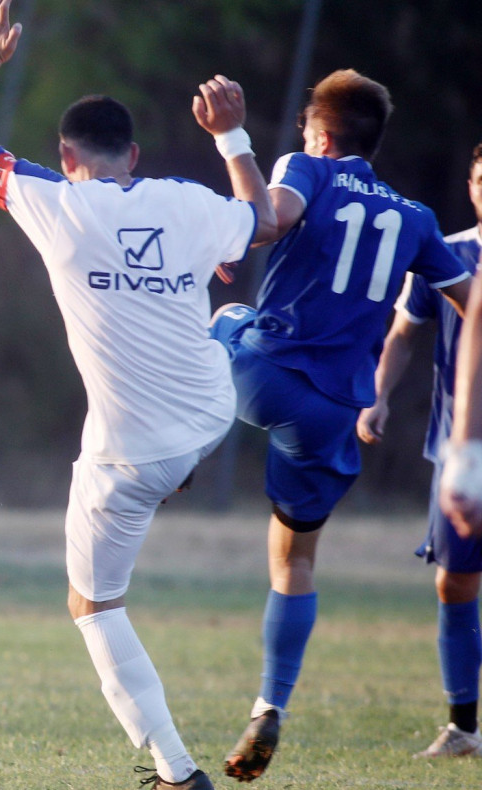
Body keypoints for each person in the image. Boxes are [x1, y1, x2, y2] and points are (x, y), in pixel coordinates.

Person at [0, 2, 277, 787]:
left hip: (129, 458)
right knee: (226, 317)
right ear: (135, 153)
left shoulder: (56, 204)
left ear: (64, 154)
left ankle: (175, 770)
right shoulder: (188, 204)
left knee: (93, 607)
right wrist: (231, 136)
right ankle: (204, 419)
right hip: (210, 417)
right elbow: (261, 221)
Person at [209, 70, 472, 782]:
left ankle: (177, 456)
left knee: (223, 320)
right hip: (333, 414)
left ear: (321, 136)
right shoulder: (416, 217)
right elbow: (471, 303)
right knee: (293, 564)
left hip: (264, 374)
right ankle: (271, 704)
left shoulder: (306, 169)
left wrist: (230, 138)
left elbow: (269, 220)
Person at [361, 142, 482, 759]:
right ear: (471, 185)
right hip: (463, 452)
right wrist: (377, 396)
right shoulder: (449, 254)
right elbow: (403, 335)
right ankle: (464, 727)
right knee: (455, 583)